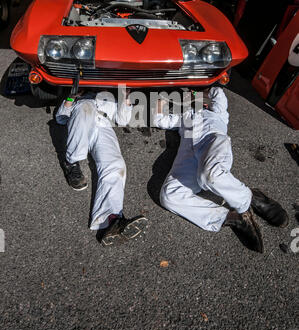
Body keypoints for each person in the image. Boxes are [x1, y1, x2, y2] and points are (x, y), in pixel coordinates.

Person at [154, 87, 289, 253]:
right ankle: (231, 218)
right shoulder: (183, 118)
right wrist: (161, 98)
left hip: (211, 143)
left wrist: (195, 92)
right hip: (188, 156)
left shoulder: (217, 112)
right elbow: (159, 120)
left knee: (210, 176)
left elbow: (218, 92)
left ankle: (251, 197)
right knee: (169, 196)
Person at [55, 89, 148, 246]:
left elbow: (123, 120)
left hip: (103, 126)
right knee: (85, 108)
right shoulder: (78, 96)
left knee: (116, 166)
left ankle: (111, 220)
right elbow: (60, 118)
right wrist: (72, 96)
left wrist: (125, 97)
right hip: (82, 117)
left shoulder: (109, 96)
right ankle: (72, 163)